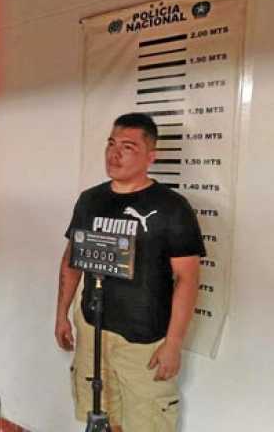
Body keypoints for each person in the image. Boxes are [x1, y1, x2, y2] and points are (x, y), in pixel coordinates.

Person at [55, 113, 205, 432]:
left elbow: (188, 279)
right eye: (111, 144)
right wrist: (61, 314)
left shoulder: (172, 207)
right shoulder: (90, 200)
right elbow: (72, 260)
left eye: (128, 146)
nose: (114, 153)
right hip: (93, 328)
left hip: (144, 339)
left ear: (151, 156)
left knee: (146, 422)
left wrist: (174, 343)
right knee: (103, 416)